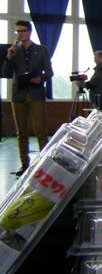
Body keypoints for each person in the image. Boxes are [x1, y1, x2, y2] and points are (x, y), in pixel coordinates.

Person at [2, 20, 53, 176]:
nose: (20, 34)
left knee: (40, 131)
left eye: (23, 30)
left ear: (29, 32)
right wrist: (9, 58)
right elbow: (7, 74)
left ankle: (44, 165)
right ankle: (24, 164)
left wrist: (41, 78)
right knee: (21, 132)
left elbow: (49, 72)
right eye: (17, 31)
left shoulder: (42, 50)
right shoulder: (13, 51)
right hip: (19, 95)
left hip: (36, 93)